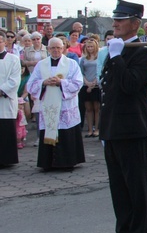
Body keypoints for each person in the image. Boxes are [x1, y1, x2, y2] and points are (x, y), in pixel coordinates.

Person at [98, 0, 147, 233]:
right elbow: (107, 92)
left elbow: (131, 85)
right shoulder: (116, 50)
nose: (115, 24)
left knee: (136, 188)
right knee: (119, 188)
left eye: (121, 20)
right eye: (115, 19)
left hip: (132, 129)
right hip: (113, 129)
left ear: (136, 23)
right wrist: (103, 129)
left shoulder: (141, 53)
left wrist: (118, 57)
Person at [26, 37, 85, 171]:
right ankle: (48, 163)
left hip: (65, 106)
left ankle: (67, 162)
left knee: (65, 133)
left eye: (59, 47)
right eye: (53, 48)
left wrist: (61, 83)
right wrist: (44, 82)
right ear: (48, 49)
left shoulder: (71, 63)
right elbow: (31, 85)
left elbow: (78, 83)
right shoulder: (41, 65)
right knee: (49, 128)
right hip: (48, 106)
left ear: (63, 48)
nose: (56, 50)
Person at [0, 30, 22, 166]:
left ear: (4, 42)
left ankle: (6, 160)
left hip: (5, 100)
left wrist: (1, 91)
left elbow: (14, 80)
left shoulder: (13, 59)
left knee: (6, 130)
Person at [79, 38, 101, 137]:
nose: (90, 48)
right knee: (88, 109)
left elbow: (100, 71)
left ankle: (97, 129)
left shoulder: (99, 58)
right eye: (88, 46)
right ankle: (89, 129)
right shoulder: (83, 59)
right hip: (86, 85)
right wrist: (87, 83)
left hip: (96, 85)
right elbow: (81, 72)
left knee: (97, 108)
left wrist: (93, 83)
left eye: (92, 46)